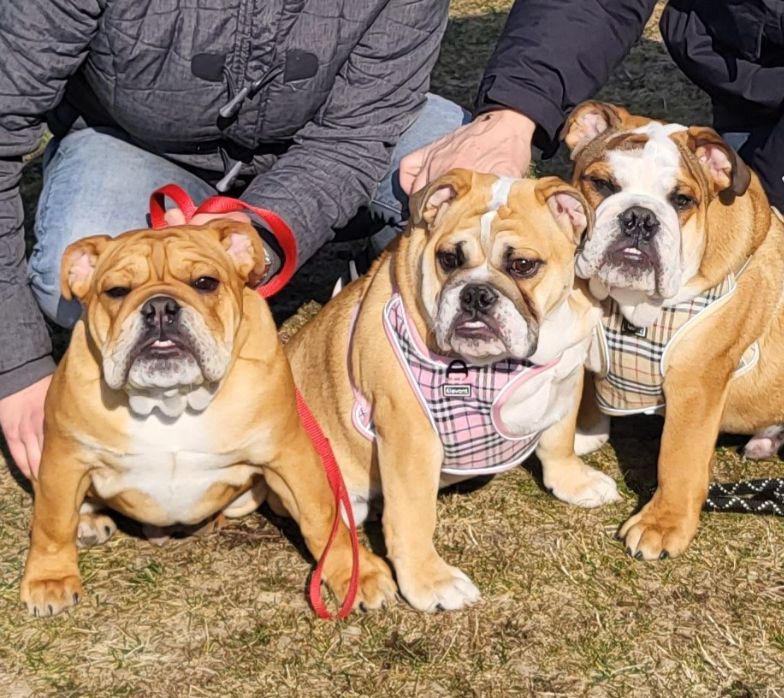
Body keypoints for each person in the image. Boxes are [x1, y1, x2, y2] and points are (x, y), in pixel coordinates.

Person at [401, 0, 784, 524]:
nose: (634, 216)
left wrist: (769, 208)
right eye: (606, 189)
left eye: (671, 203)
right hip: (745, 81)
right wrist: (518, 110)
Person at [0, 0, 466, 481]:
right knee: (76, 277)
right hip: (135, 144)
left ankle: (373, 275)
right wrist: (17, 370)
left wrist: (255, 236)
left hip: (336, 144)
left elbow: (354, 136)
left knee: (472, 187)